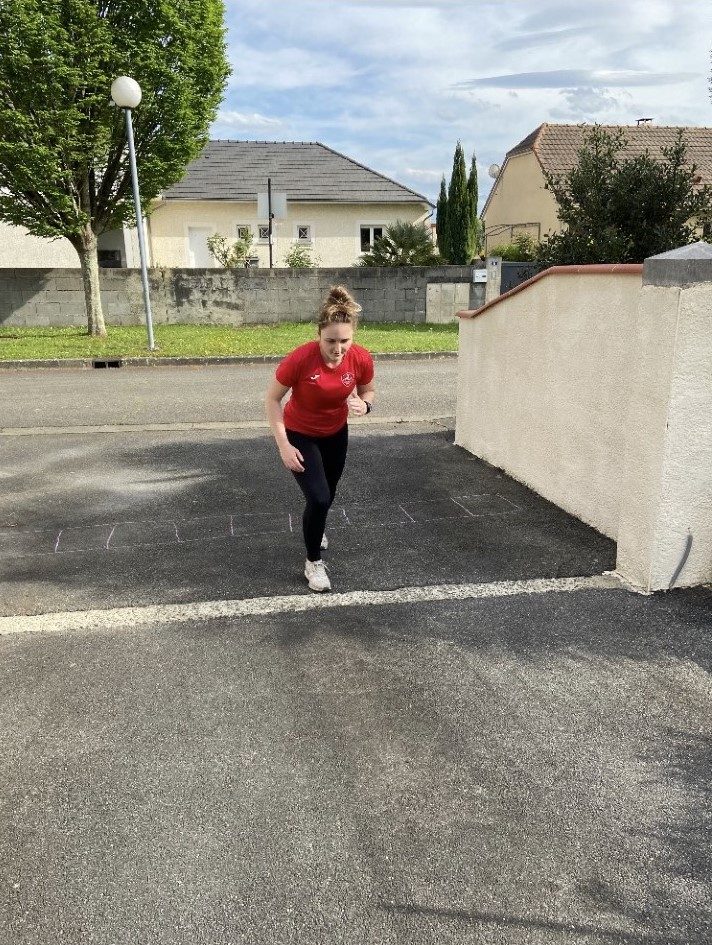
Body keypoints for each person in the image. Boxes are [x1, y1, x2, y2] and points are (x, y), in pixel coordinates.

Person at [265, 285, 375, 592]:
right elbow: (272, 400)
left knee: (329, 492)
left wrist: (365, 405)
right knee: (319, 497)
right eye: (331, 341)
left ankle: (317, 526)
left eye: (345, 341)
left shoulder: (361, 358)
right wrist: (284, 446)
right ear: (319, 334)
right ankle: (313, 562)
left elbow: (369, 390)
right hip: (300, 434)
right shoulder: (300, 359)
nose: (338, 348)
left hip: (336, 434)